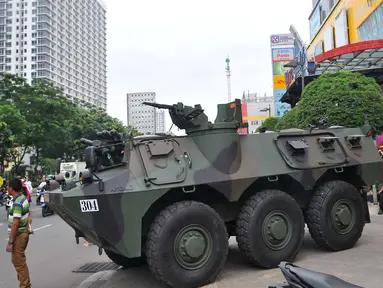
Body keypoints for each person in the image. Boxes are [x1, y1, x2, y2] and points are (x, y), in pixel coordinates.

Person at [6, 178, 32, 288]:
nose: (7, 188)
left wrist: (10, 242)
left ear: (11, 188)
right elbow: (29, 214)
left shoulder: (17, 203)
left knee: (19, 263)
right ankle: (25, 284)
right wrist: (28, 226)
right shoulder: (23, 198)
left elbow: (15, 223)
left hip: (19, 236)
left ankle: (25, 286)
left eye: (8, 186)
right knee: (18, 261)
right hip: (23, 234)